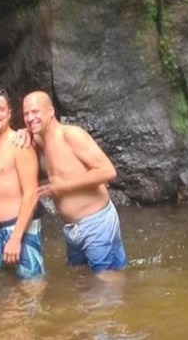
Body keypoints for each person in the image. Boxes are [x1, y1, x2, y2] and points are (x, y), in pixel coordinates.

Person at [22, 89, 127, 273]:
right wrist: (24, 132)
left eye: (35, 111)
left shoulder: (71, 135)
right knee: (79, 280)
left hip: (96, 223)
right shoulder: (41, 140)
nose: (30, 118)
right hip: (71, 228)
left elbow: (108, 171)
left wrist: (64, 187)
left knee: (106, 285)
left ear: (51, 111)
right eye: (26, 114)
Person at [0, 89, 45, 279]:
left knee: (30, 287)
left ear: (9, 113)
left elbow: (31, 194)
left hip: (19, 227)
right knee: (3, 286)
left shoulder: (20, 144)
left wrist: (16, 238)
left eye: (1, 109)